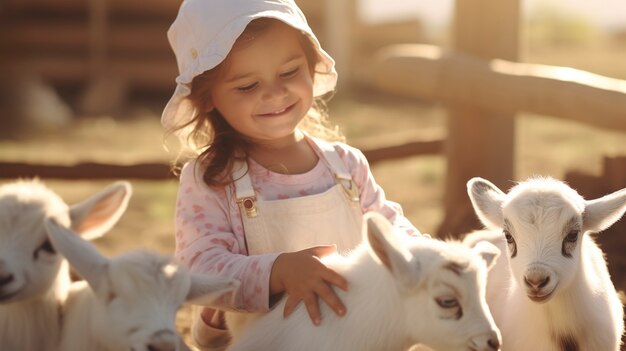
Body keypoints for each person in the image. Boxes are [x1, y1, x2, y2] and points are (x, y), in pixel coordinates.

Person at [161, 0, 420, 349]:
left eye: (288, 73)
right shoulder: (211, 179)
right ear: (207, 97)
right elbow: (198, 269)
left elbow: (392, 231)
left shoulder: (346, 165)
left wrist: (425, 258)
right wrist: (278, 272)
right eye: (248, 86)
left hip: (358, 337)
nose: (275, 92)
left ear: (312, 67)